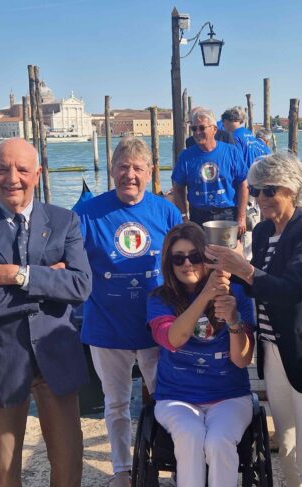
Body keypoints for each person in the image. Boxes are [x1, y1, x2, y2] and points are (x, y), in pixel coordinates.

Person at [0, 138, 92, 487]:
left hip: (55, 357)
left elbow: (80, 286)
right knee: (1, 472)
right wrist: (47, 285)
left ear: (38, 174)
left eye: (22, 169)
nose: (12, 178)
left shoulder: (65, 221)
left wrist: (19, 275)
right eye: (3, 169)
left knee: (69, 464)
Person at [207, 153, 302, 487]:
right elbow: (256, 285)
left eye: (269, 190)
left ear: (292, 189)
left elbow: (292, 289)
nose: (260, 197)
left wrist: (243, 268)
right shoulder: (262, 231)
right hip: (272, 351)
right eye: (256, 189)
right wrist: (217, 272)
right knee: (286, 443)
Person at [75, 137, 182, 487]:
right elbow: (68, 262)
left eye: (138, 168)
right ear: (112, 170)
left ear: (150, 172)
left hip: (157, 327)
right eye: (123, 167)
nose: (130, 175)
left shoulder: (166, 211)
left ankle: (176, 463)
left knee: (168, 399)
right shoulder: (87, 214)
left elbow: (182, 264)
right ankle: (122, 470)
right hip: (107, 327)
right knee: (116, 403)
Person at [147, 222, 255, 487]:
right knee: (191, 436)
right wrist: (206, 295)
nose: (187, 264)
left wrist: (233, 319)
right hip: (176, 397)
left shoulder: (237, 293)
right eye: (178, 258)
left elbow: (242, 359)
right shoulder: (159, 298)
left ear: (206, 257)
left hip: (229, 395)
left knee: (219, 441)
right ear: (169, 264)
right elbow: (174, 339)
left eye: (195, 256)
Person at [172, 107, 248, 236]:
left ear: (214, 129)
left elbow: (243, 184)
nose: (197, 132)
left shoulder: (231, 152)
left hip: (227, 214)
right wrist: (184, 216)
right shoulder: (186, 156)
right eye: (194, 129)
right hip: (198, 216)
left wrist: (241, 217)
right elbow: (178, 188)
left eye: (202, 128)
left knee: (229, 249)